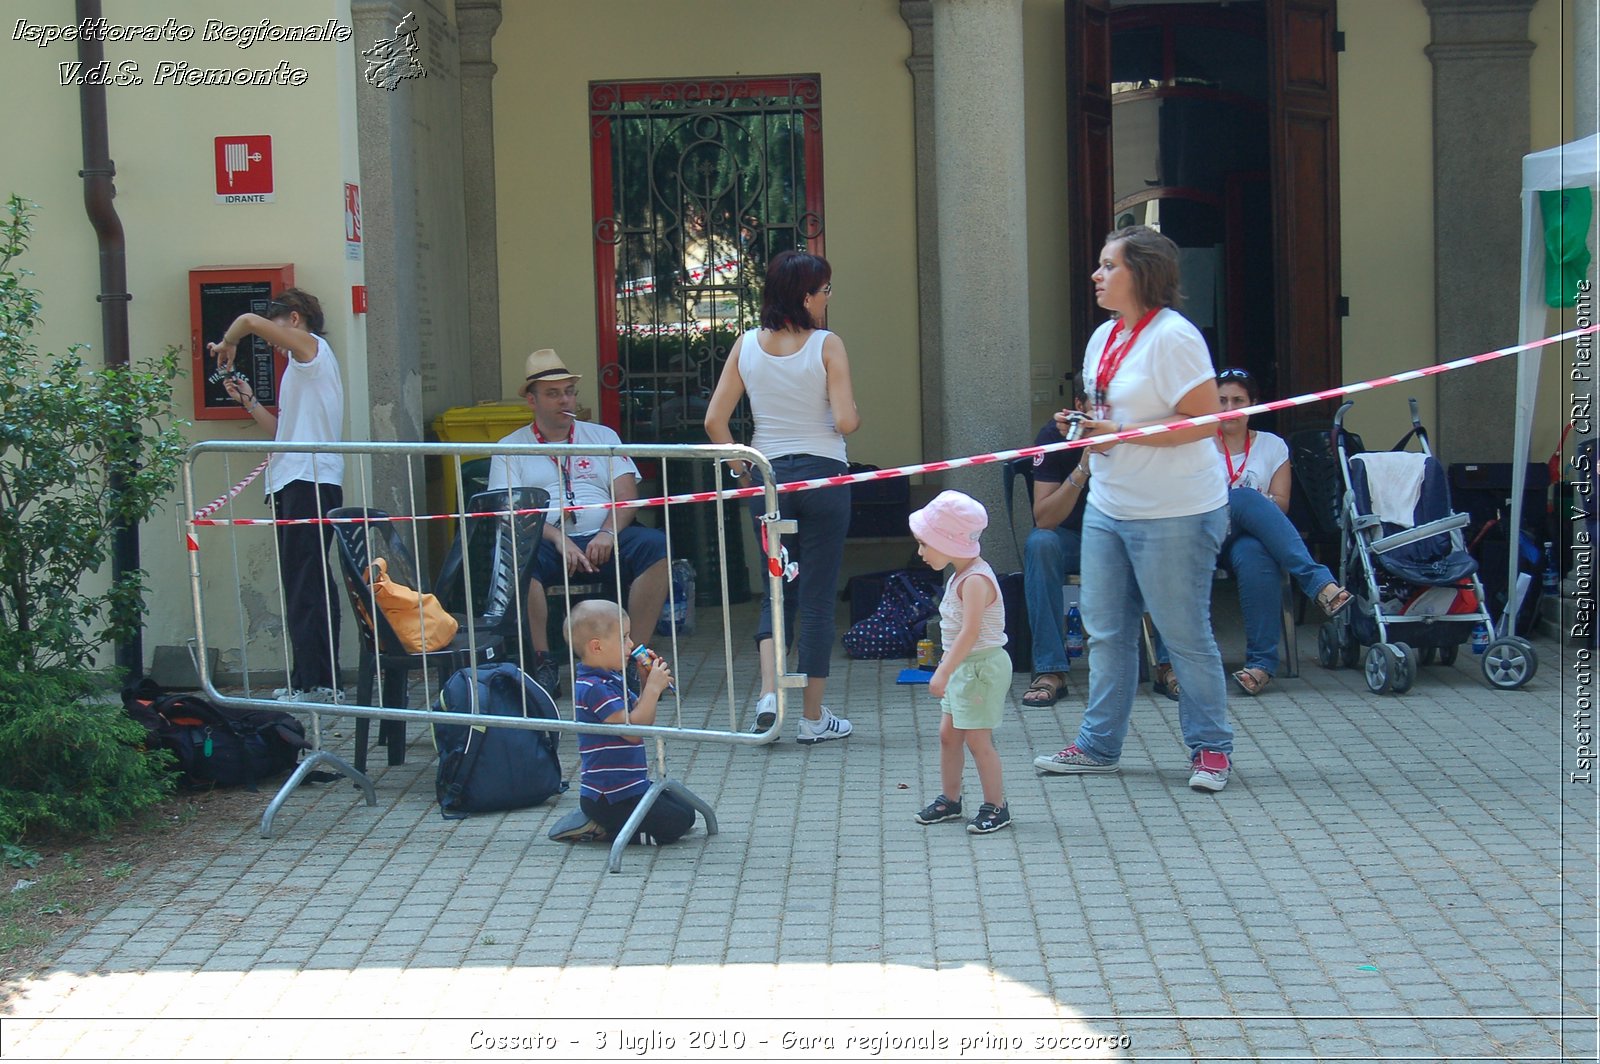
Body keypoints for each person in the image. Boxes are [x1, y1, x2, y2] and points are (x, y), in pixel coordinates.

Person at [1032, 225, 1235, 793]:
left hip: (1177, 509)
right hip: (1111, 504)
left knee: (1183, 630)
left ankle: (1211, 750)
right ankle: (1098, 746)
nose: (1096, 275)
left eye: (1108, 266)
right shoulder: (1103, 337)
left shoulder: (1175, 337)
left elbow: (1203, 423)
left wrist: (1118, 431)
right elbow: (1106, 413)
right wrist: (1086, 429)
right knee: (1105, 630)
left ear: (1141, 273)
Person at [705, 250, 860, 745]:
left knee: (777, 588)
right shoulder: (827, 345)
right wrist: (853, 408)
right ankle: (813, 718)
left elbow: (715, 421)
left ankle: (769, 697)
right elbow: (844, 422)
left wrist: (739, 464)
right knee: (816, 596)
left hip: (768, 478)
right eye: (826, 289)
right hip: (823, 478)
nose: (829, 298)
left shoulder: (745, 345)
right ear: (806, 295)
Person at [487, 349, 669, 696]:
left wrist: (607, 532)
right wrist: (559, 539)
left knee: (655, 547)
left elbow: (627, 493)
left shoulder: (602, 437)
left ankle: (634, 658)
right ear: (532, 400)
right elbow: (510, 510)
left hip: (603, 537)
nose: (564, 400)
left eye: (569, 391)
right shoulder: (510, 447)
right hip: (547, 541)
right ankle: (542, 662)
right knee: (520, 560)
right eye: (553, 393)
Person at [210, 289, 344, 703]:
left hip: (309, 482)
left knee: (308, 584)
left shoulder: (313, 351)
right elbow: (282, 433)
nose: (273, 340)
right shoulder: (301, 370)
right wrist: (248, 402)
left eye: (278, 327)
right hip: (296, 481)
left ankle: (319, 683)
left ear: (295, 318)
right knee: (302, 583)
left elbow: (249, 323)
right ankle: (311, 678)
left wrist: (229, 342)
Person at [1210, 368, 1351, 695]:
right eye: (1221, 401)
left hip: (1246, 539)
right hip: (1206, 535)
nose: (1229, 407)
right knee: (1246, 497)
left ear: (1254, 405)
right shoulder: (1197, 444)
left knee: (1255, 553)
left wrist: (1249, 503)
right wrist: (1248, 500)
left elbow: (1282, 504)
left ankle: (1260, 665)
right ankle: (1318, 582)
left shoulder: (1272, 445)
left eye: (1238, 400)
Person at [909, 491, 1012, 834]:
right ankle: (950, 800)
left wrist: (942, 671)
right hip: (965, 669)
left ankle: (996, 806)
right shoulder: (960, 574)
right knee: (948, 735)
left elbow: (970, 633)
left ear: (949, 542)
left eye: (925, 544)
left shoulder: (975, 581)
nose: (921, 552)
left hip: (980, 669)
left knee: (977, 739)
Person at [563, 599, 695, 845]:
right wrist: (653, 690)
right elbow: (632, 732)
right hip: (609, 797)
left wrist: (646, 684)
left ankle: (615, 825)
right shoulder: (593, 688)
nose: (632, 644)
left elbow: (640, 718)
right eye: (624, 638)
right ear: (597, 647)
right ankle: (604, 827)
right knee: (675, 823)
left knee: (686, 813)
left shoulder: (611, 678)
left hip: (631, 787)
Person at [1020, 372, 1091, 708]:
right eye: (1097, 402)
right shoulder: (1053, 436)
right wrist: (1083, 467)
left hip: (1124, 534)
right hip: (1073, 538)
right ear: (1078, 406)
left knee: (1158, 541)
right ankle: (1050, 668)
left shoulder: (1135, 432)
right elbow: (1044, 518)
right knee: (1040, 543)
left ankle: (1167, 664)